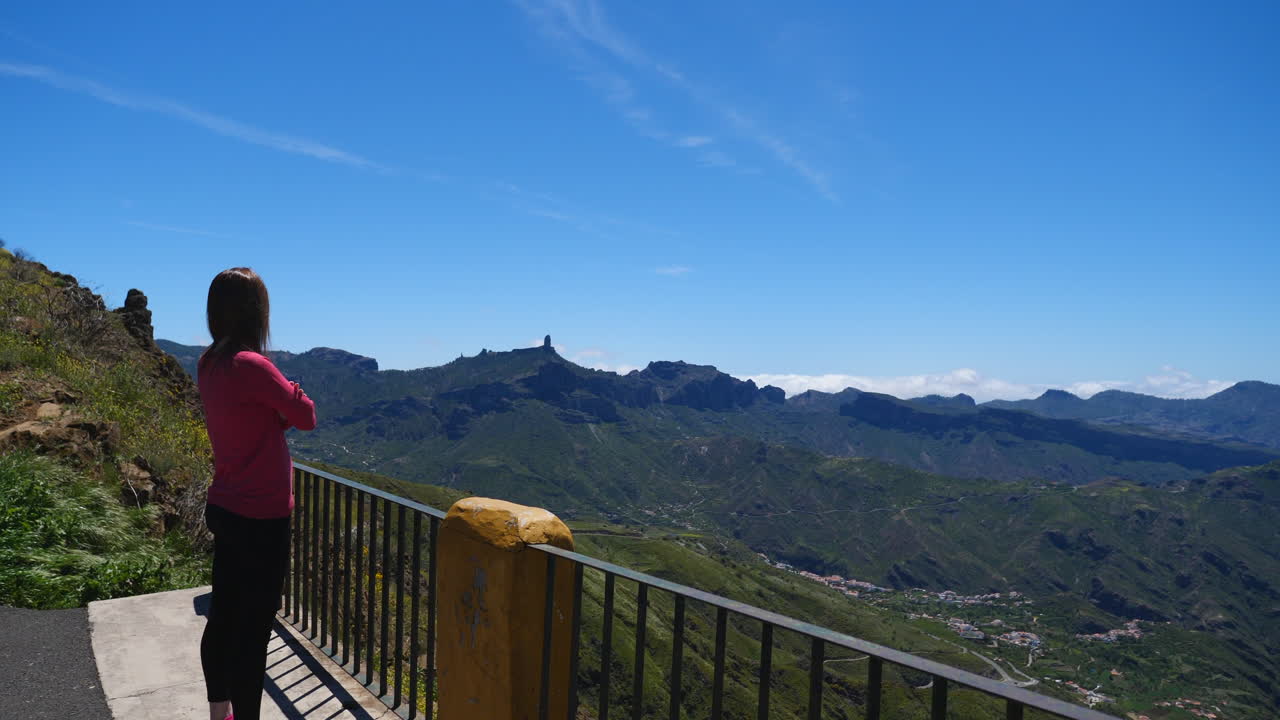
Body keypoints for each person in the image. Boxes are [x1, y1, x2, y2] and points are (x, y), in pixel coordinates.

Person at [197, 268, 316, 720]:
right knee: (254, 630)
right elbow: (305, 416)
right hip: (262, 516)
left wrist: (275, 411)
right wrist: (292, 393)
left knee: (224, 616)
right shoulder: (253, 364)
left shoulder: (209, 363)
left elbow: (250, 418)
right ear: (256, 313)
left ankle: (219, 713)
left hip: (224, 506)